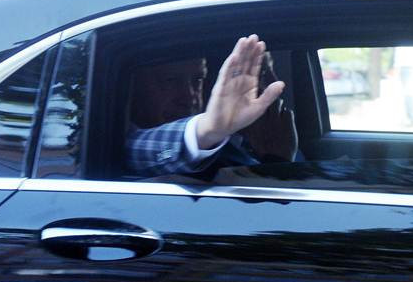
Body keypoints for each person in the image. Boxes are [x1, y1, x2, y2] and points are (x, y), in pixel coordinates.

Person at [126, 34, 297, 177]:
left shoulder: (229, 150)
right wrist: (207, 130)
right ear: (136, 88)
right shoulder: (120, 146)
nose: (189, 97)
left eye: (198, 80)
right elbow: (132, 150)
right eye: (170, 81)